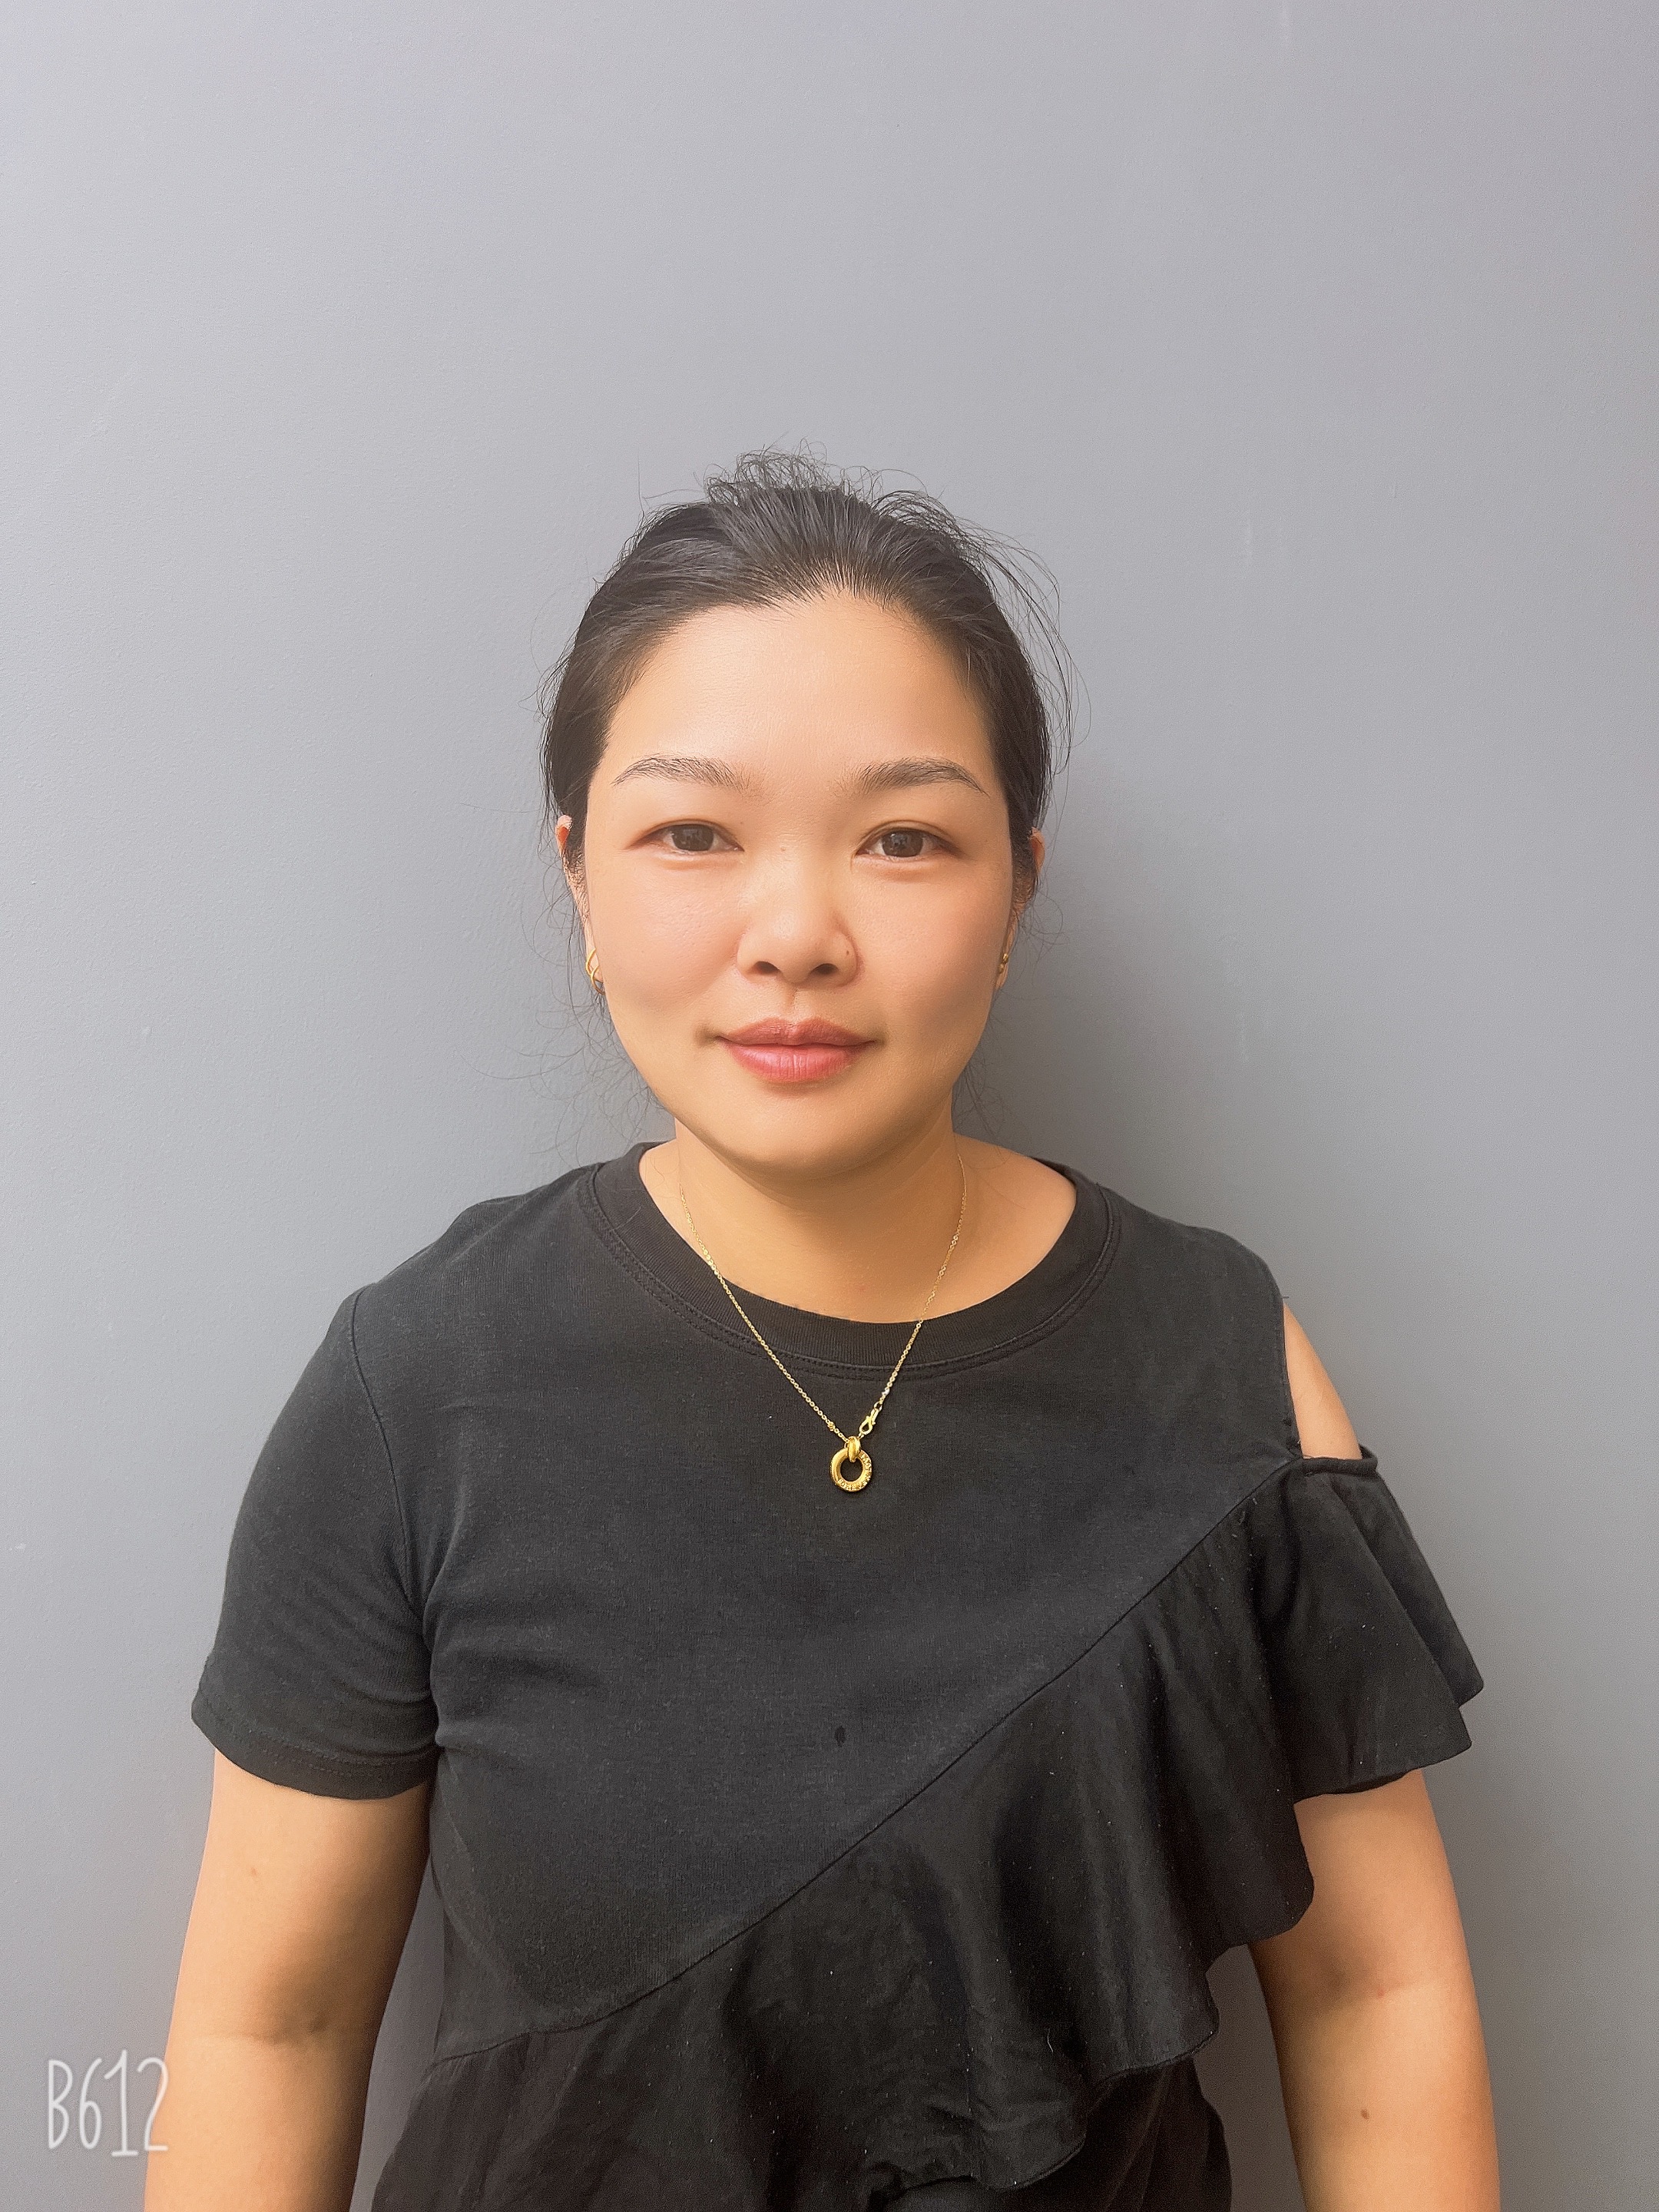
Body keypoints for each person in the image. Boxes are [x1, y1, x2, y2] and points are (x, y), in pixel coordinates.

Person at [153, 453, 1499, 2211]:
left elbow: (1377, 1997)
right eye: (692, 834)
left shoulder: (1221, 1361)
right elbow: (274, 2028)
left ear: (1017, 889)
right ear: (580, 879)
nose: (795, 935)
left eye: (904, 840)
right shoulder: (416, 1390)